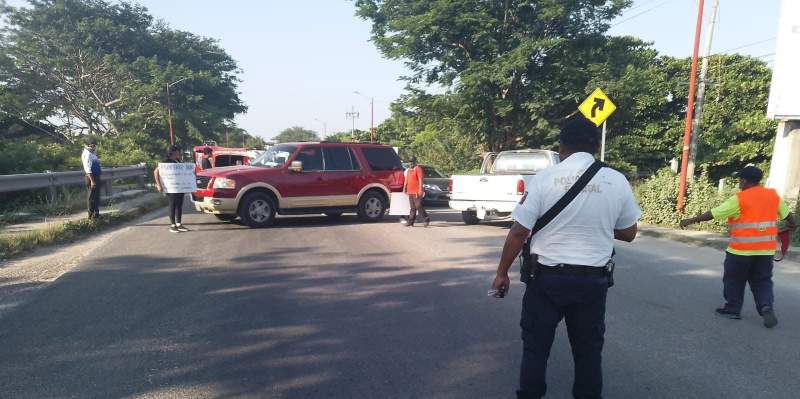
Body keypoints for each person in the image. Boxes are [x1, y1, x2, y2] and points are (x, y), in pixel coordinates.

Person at [491, 115, 641, 399]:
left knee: (536, 349)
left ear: (561, 147)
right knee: (588, 353)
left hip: (546, 281)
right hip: (592, 284)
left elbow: (519, 233)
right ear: (596, 147)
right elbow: (629, 232)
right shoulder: (616, 180)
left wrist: (501, 273)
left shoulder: (544, 179)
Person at [680, 166, 796, 328]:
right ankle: (766, 306)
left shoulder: (740, 198)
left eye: (740, 180)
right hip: (765, 252)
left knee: (734, 279)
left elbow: (713, 213)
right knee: (762, 281)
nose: (739, 183)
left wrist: (690, 220)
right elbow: (790, 218)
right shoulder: (773, 196)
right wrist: (790, 225)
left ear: (744, 180)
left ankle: (733, 309)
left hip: (741, 251)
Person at [154, 145, 190, 233]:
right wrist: (159, 185)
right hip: (170, 188)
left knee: (179, 205)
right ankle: (172, 225)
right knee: (172, 205)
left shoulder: (177, 161)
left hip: (179, 188)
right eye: (178, 151)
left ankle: (179, 224)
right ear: (173, 152)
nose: (179, 153)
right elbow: (156, 171)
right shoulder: (166, 161)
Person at [403, 157, 430, 227]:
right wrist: (404, 188)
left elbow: (420, 179)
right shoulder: (409, 170)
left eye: (412, 162)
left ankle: (426, 218)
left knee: (418, 205)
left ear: (415, 162)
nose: (411, 163)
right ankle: (411, 221)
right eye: (410, 162)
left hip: (417, 191)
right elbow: (406, 180)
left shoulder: (418, 169)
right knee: (412, 207)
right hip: (410, 191)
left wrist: (420, 189)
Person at [81, 138, 102, 219]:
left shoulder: (92, 153)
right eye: (92, 145)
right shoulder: (87, 154)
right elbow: (87, 169)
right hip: (91, 178)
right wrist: (92, 181)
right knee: (91, 197)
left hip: (96, 176)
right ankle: (90, 215)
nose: (94, 147)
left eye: (94, 145)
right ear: (88, 146)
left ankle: (96, 214)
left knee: (96, 196)